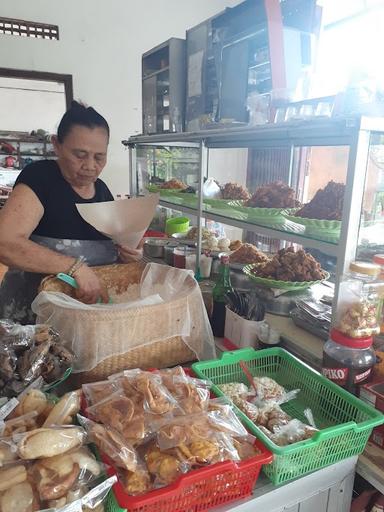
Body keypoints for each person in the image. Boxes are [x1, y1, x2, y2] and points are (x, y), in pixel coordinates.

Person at [0, 101, 142, 324]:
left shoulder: (102, 190)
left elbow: (111, 253)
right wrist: (74, 267)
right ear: (57, 145)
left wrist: (126, 257)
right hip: (34, 318)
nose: (90, 166)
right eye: (80, 154)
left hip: (82, 317)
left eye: (99, 157)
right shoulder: (40, 179)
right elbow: (5, 243)